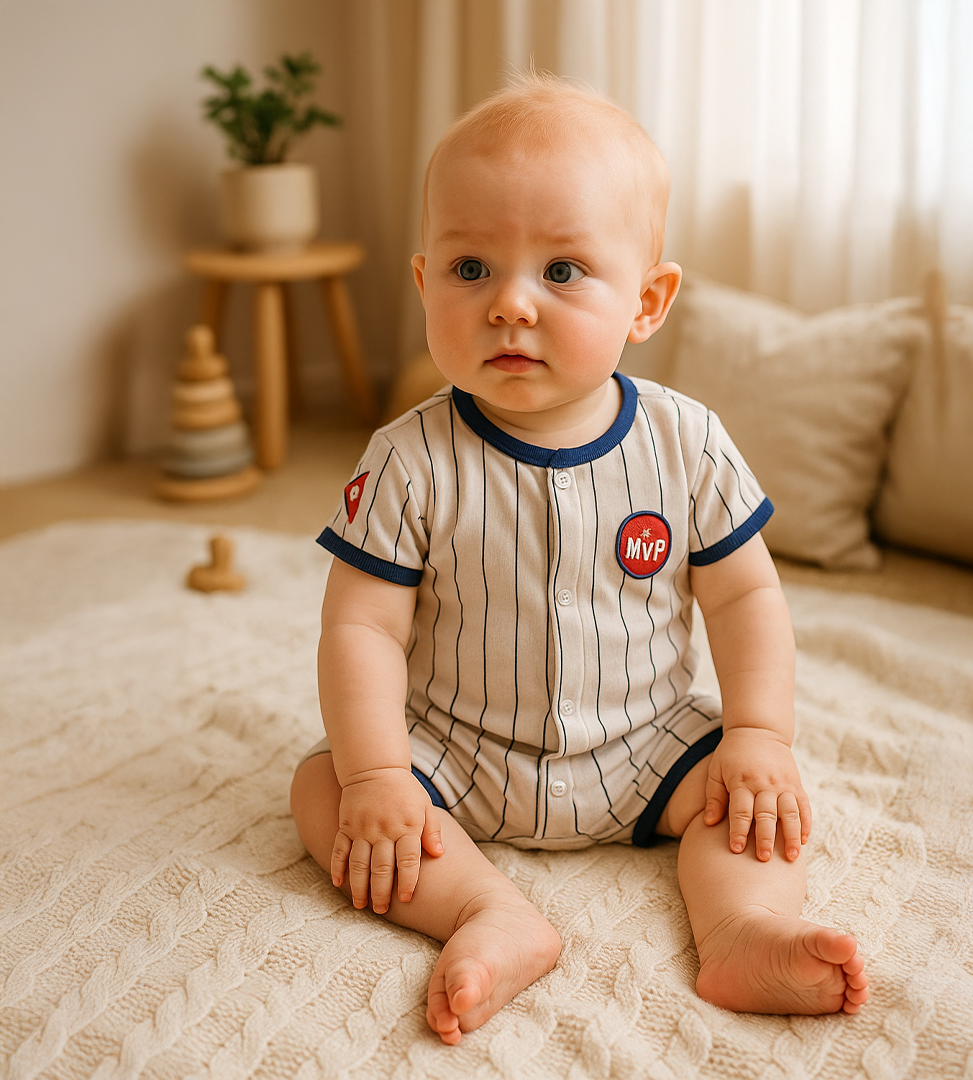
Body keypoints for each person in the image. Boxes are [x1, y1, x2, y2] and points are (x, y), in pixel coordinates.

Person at [290, 73, 869, 1046]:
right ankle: (487, 910)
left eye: (562, 272)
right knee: (325, 788)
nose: (511, 304)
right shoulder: (406, 458)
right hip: (455, 751)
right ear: (426, 283)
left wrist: (760, 732)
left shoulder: (688, 442)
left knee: (750, 801)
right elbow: (361, 624)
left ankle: (742, 927)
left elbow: (744, 598)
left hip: (646, 745)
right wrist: (381, 771)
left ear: (646, 302)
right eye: (472, 269)